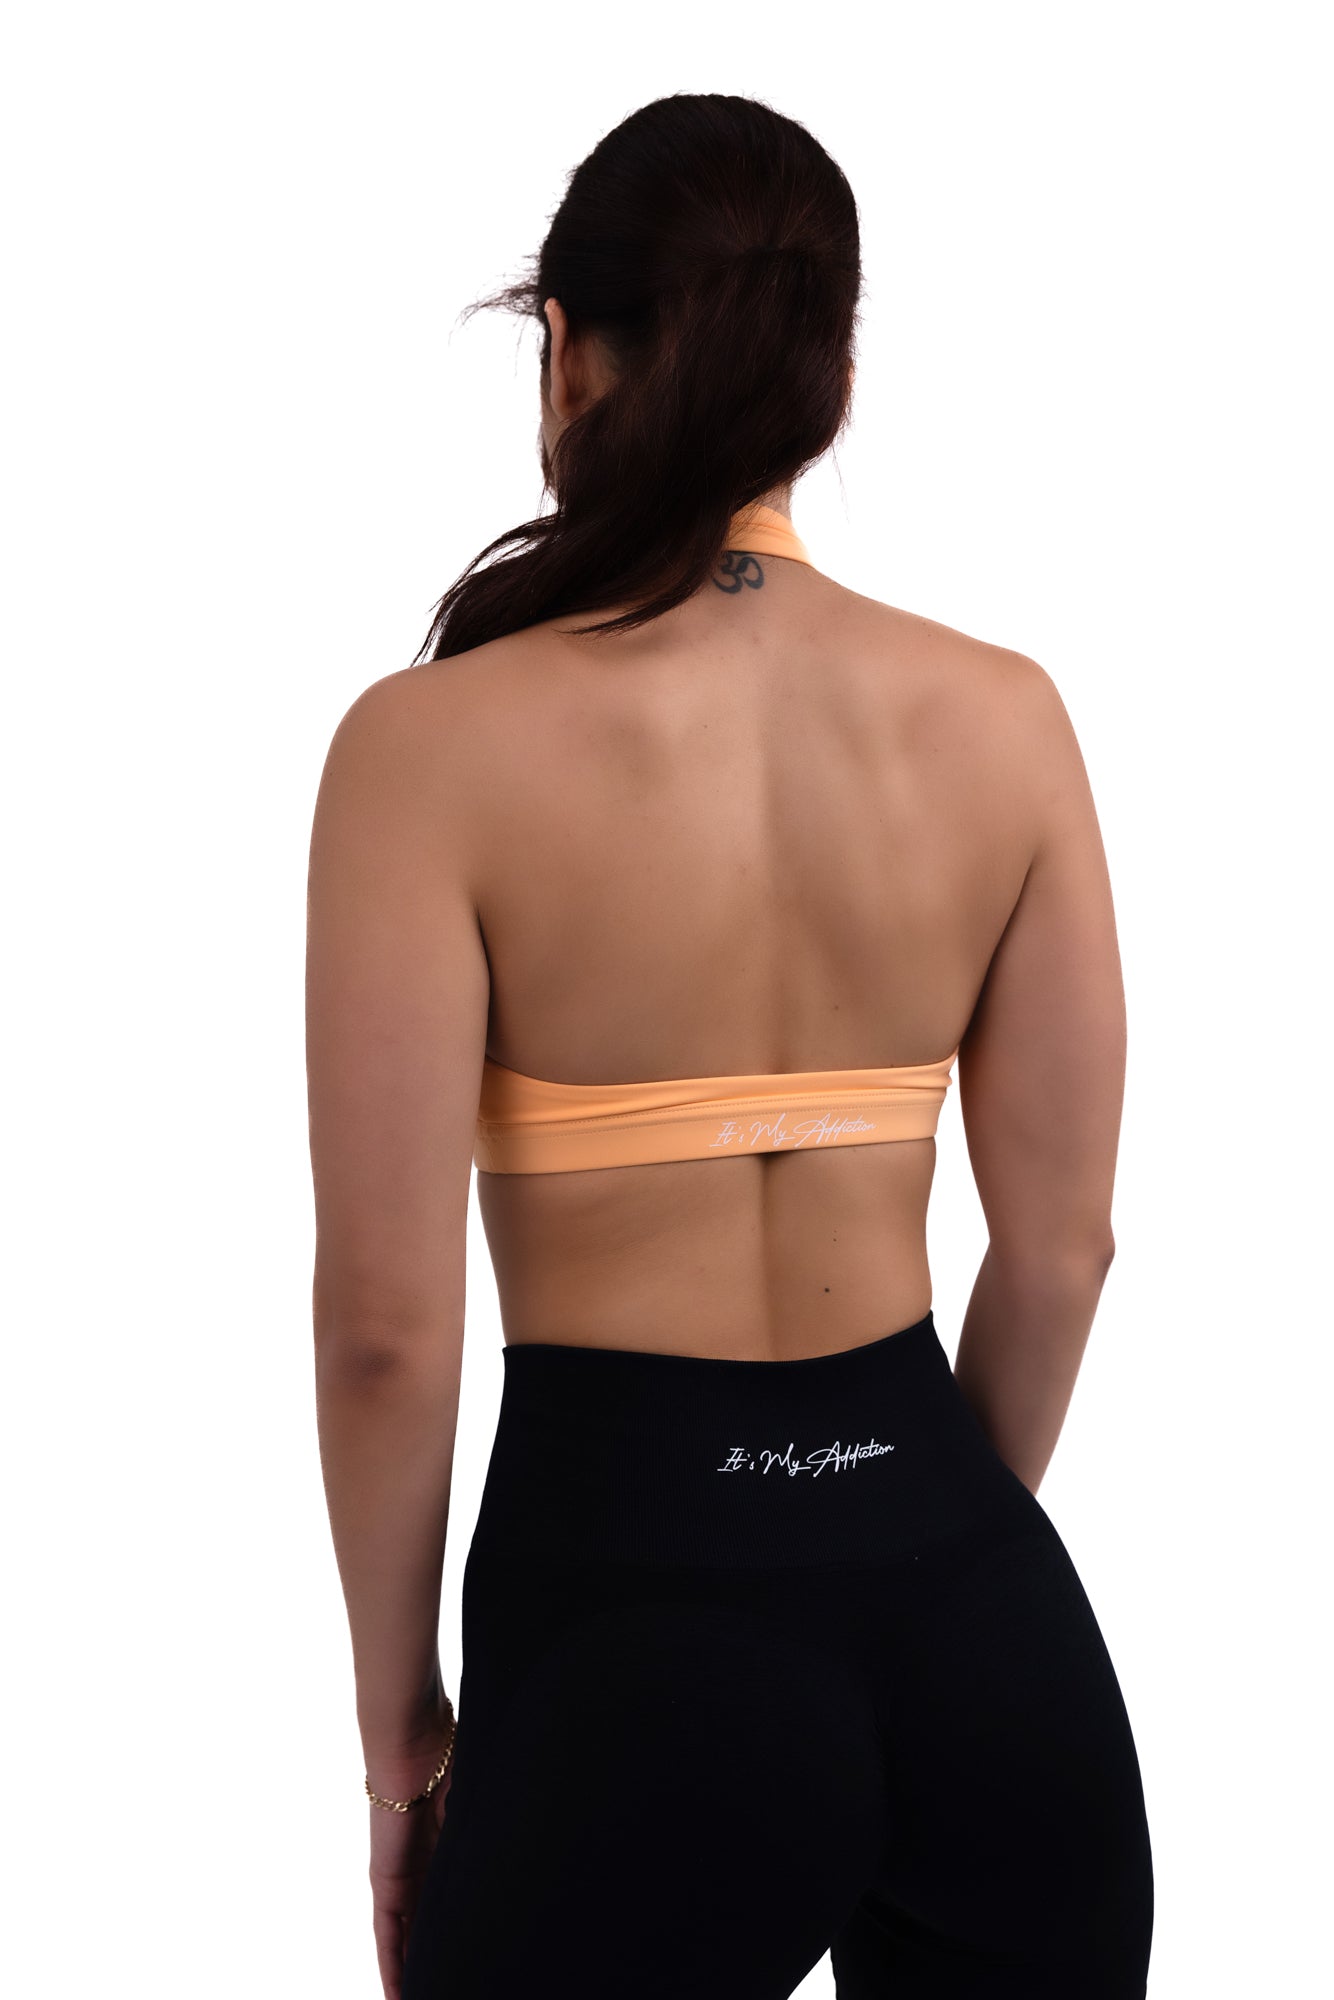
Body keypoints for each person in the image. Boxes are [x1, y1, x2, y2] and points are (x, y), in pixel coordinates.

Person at [305, 91, 1154, 2000]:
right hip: (985, 1645)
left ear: (565, 350)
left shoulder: (425, 754)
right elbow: (1063, 1248)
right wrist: (913, 1568)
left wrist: (405, 1752)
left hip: (626, 1662)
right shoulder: (1006, 720)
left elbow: (382, 1328)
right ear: (828, 375)